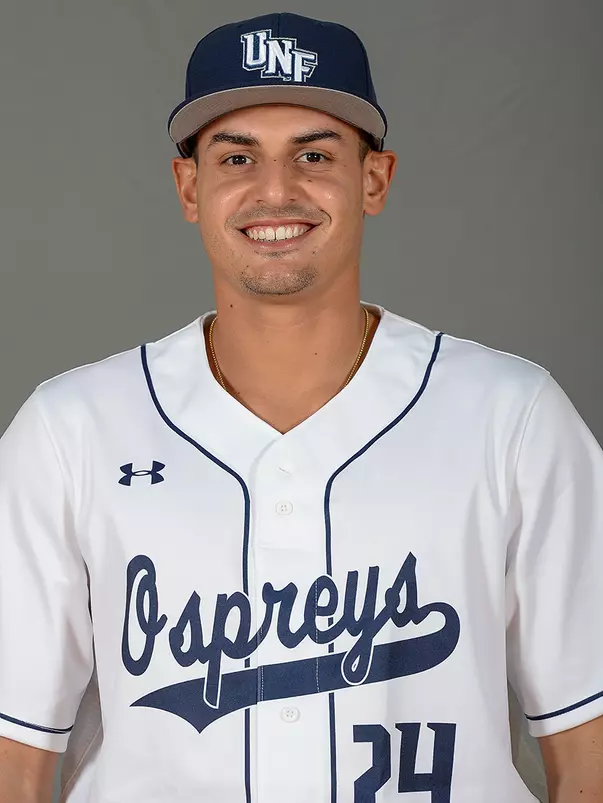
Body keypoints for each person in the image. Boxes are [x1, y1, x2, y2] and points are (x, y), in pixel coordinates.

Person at [0, 12, 602, 803]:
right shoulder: (69, 430)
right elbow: (15, 757)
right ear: (190, 187)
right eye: (236, 156)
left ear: (373, 179)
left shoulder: (512, 419)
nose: (275, 190)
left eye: (314, 155)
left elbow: (587, 749)